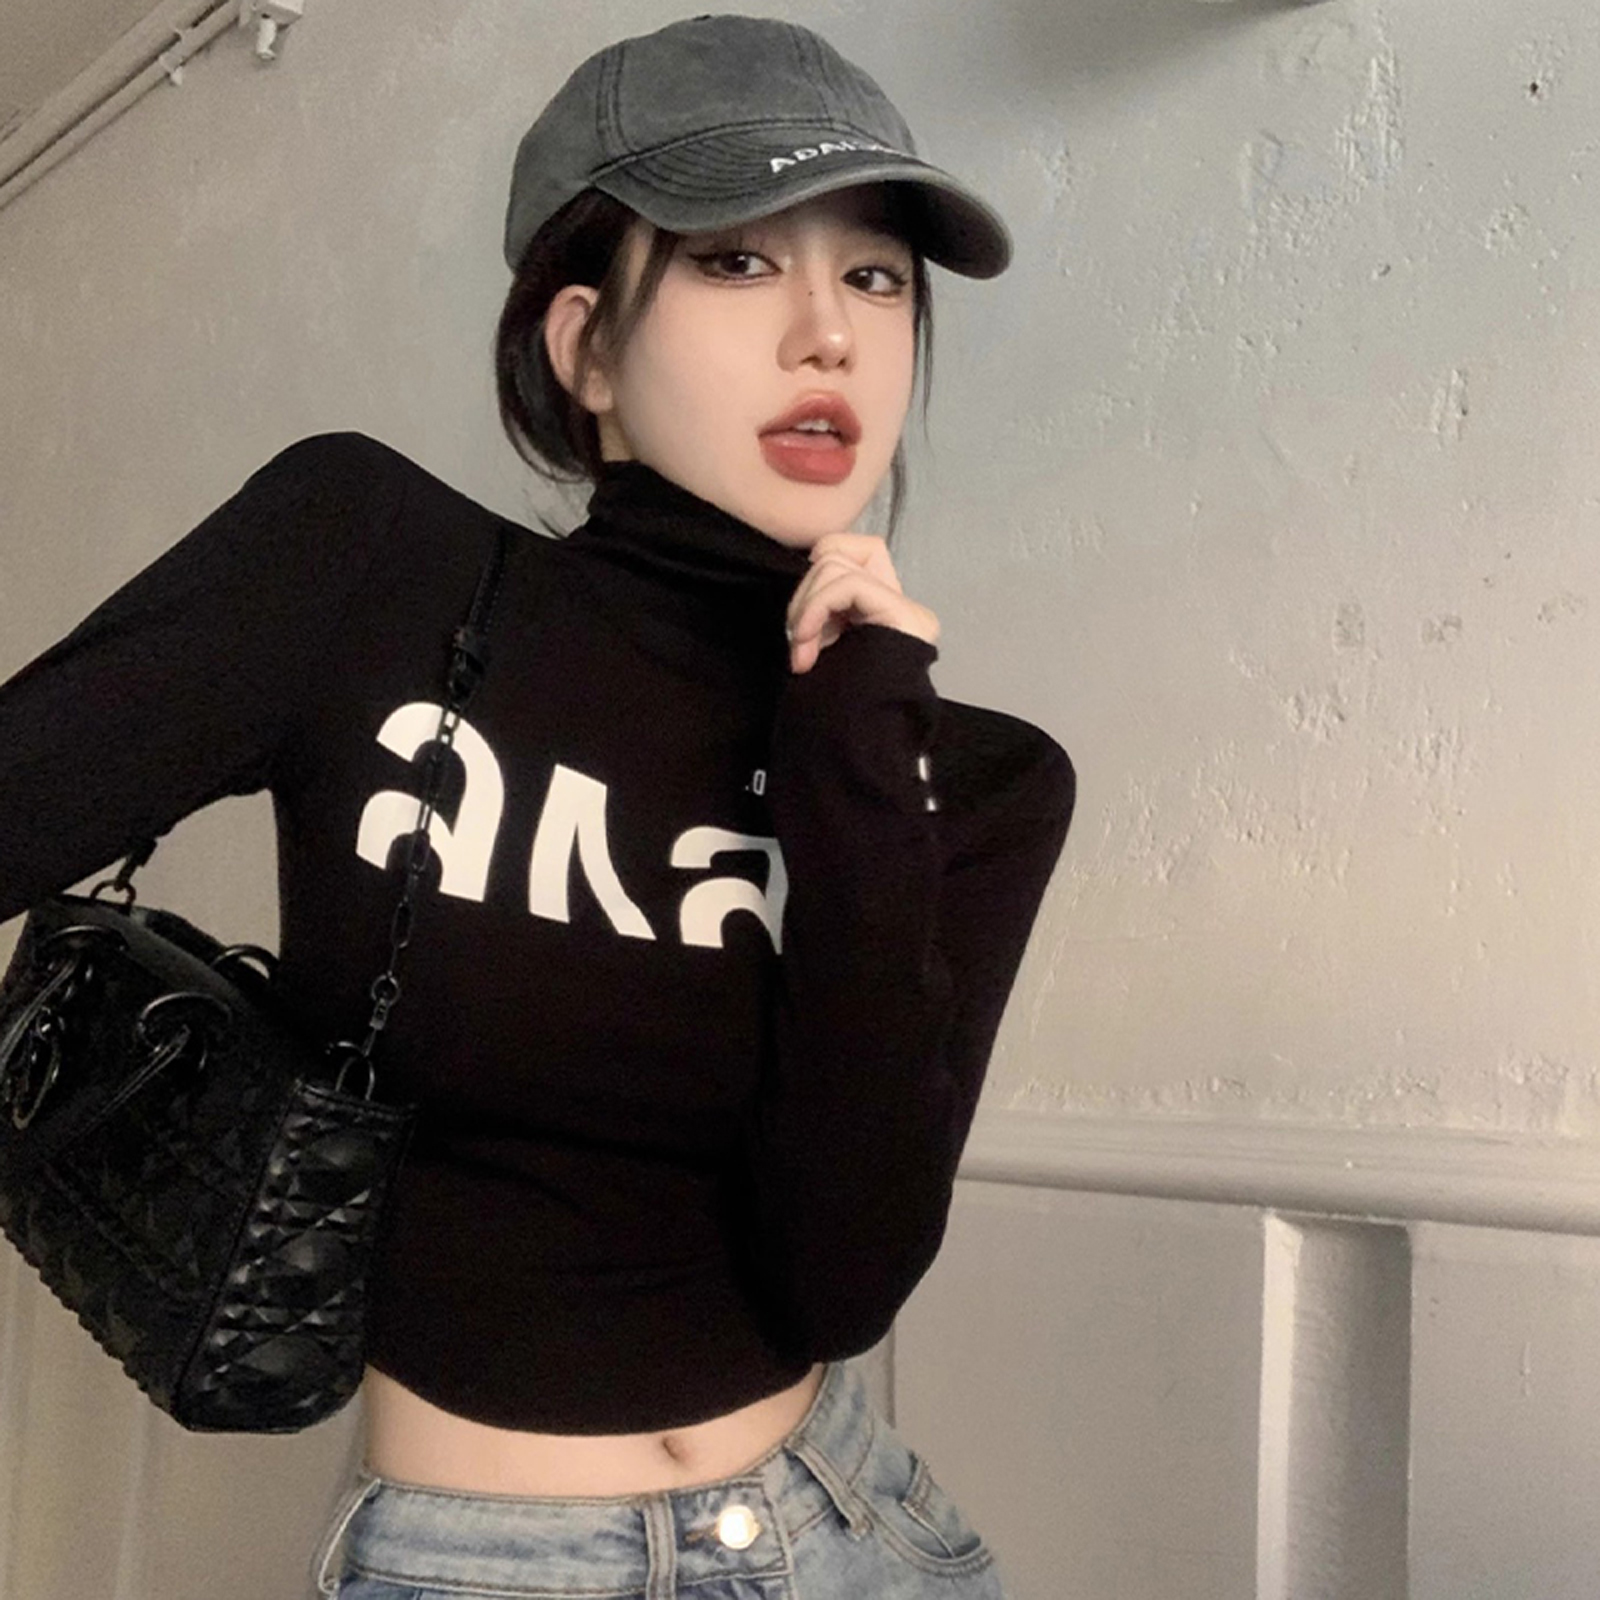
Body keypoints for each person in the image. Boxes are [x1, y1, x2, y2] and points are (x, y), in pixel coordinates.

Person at [0, 15, 1073, 1600]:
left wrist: (857, 744)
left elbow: (840, 1280)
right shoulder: (371, 568)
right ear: (585, 348)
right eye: (734, 262)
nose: (828, 336)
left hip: (855, 1532)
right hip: (486, 1560)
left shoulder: (972, 776)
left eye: (874, 276)